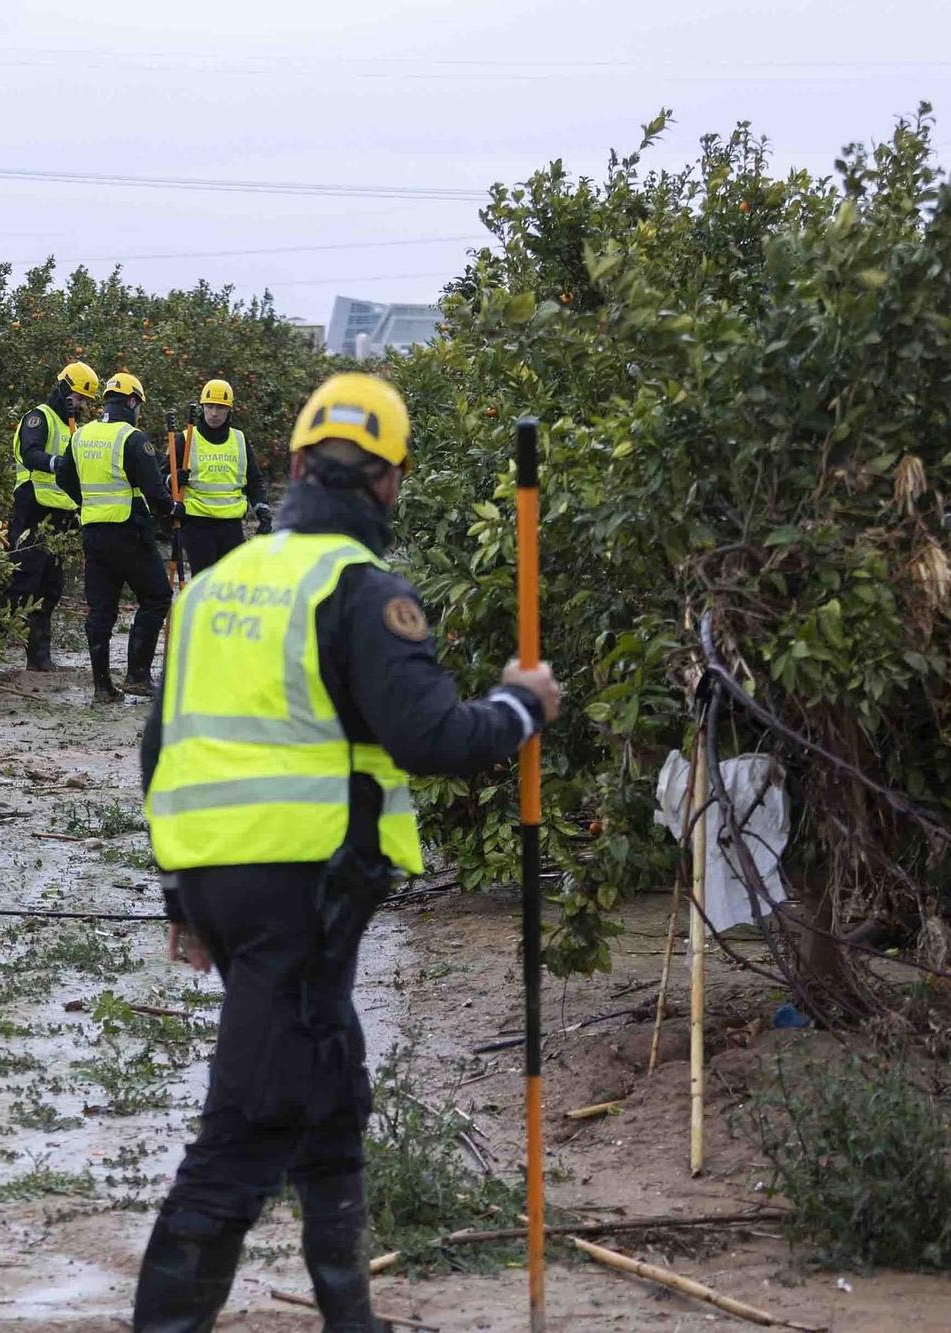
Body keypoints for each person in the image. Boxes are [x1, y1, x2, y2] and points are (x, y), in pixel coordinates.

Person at [133, 372, 563, 1331]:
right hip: (304, 888)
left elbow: (159, 745)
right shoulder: (359, 589)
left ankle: (350, 1318)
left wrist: (179, 898)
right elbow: (432, 739)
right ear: (388, 485)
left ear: (289, 466)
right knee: (240, 1134)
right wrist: (521, 705)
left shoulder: (210, 587)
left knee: (330, 1092)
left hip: (218, 885)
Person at [56, 371, 174, 703]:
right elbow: (154, 490)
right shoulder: (133, 438)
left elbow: (64, 478)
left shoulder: (80, 436)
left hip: (93, 534)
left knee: (100, 611)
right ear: (133, 402)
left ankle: (102, 686)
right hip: (130, 534)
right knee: (156, 597)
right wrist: (173, 512)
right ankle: (137, 675)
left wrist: (86, 502)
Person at [3, 361, 97, 671]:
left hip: (62, 514)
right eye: (80, 399)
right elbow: (30, 453)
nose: (82, 406)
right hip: (33, 508)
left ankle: (39, 657)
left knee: (50, 586)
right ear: (65, 390)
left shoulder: (74, 429)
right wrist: (57, 463)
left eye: (85, 402)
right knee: (22, 580)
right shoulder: (38, 417)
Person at [172, 378, 269, 576]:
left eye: (220, 408)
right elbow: (164, 476)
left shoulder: (240, 440)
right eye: (210, 407)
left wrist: (263, 511)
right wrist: (174, 480)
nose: (214, 413)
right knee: (204, 583)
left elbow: (254, 481)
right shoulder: (186, 439)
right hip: (197, 525)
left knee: (231, 584)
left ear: (229, 411)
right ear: (202, 408)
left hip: (231, 526)